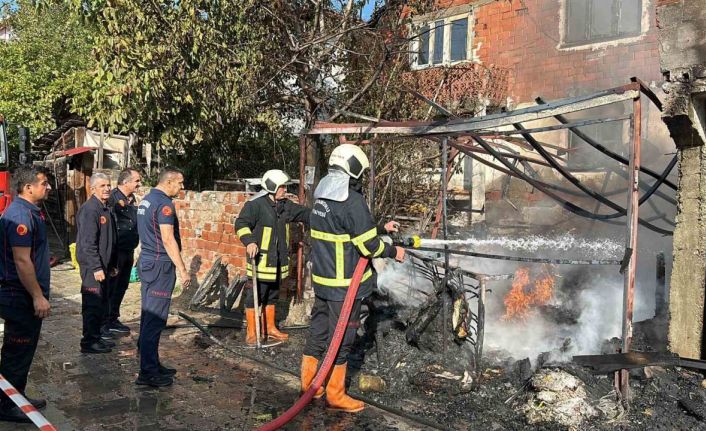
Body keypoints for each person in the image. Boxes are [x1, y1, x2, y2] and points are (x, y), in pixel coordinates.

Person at [300, 144, 405, 413]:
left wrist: (381, 226)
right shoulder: (352, 199)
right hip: (346, 284)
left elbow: (344, 226)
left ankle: (310, 384)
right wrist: (394, 251)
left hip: (322, 279)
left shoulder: (322, 192)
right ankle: (335, 394)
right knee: (343, 339)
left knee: (319, 331)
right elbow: (369, 246)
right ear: (354, 168)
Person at [0, 166, 52, 423]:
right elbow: (22, 261)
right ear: (27, 187)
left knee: (25, 350)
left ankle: (17, 395)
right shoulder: (20, 215)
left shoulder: (31, 212)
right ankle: (7, 405)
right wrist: (37, 296)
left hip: (24, 294)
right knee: (17, 349)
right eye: (43, 183)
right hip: (18, 295)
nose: (48, 187)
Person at [235, 169, 310, 345]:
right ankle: (252, 332)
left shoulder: (285, 206)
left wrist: (325, 215)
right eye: (282, 186)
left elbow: (305, 214)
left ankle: (269, 329)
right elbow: (241, 223)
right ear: (272, 187)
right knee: (256, 296)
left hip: (278, 263)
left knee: (272, 295)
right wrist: (249, 241)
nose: (285, 189)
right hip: (260, 262)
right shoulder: (255, 205)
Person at [136, 167, 191, 387]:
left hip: (149, 262)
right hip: (160, 265)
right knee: (155, 319)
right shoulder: (164, 204)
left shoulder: (147, 200)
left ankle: (151, 363)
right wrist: (182, 269)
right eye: (180, 183)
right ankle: (148, 373)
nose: (182, 187)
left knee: (148, 315)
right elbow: (168, 240)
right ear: (168, 182)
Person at [76, 172, 118, 354]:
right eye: (102, 186)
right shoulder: (90, 209)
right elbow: (87, 242)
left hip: (105, 265)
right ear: (93, 189)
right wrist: (96, 267)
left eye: (108, 185)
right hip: (93, 267)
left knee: (102, 303)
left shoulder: (106, 207)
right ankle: (89, 342)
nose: (107, 189)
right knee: (92, 304)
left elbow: (111, 239)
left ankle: (97, 337)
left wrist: (113, 264)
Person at [104, 168, 141, 335]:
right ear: (125, 182)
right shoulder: (112, 198)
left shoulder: (132, 199)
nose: (139, 184)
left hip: (128, 249)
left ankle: (113, 318)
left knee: (122, 285)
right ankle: (105, 321)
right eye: (136, 181)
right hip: (116, 250)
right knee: (112, 285)